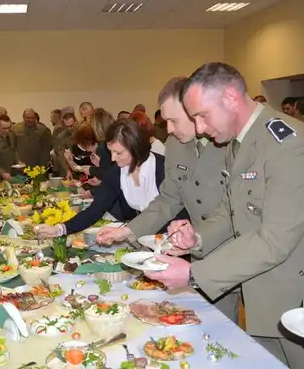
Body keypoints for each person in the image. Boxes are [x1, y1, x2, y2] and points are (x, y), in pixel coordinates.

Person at [144, 63, 304, 369]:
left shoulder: (290, 145)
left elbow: (274, 240)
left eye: (202, 115)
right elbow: (232, 212)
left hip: (301, 303)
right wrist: (197, 238)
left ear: (230, 97)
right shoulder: (240, 143)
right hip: (260, 297)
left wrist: (193, 274)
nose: (200, 128)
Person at [97, 77, 236, 321]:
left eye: (173, 120)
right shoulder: (175, 145)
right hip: (192, 251)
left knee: (229, 328)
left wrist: (199, 236)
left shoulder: (228, 142)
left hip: (232, 249)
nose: (168, 129)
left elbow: (234, 207)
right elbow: (168, 199)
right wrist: (128, 231)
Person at [37, 119, 168, 238]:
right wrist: (60, 229)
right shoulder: (116, 172)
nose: (113, 158)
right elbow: (95, 210)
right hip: (140, 238)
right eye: (111, 152)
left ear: (135, 147)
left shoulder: (165, 167)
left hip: (172, 240)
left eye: (118, 152)